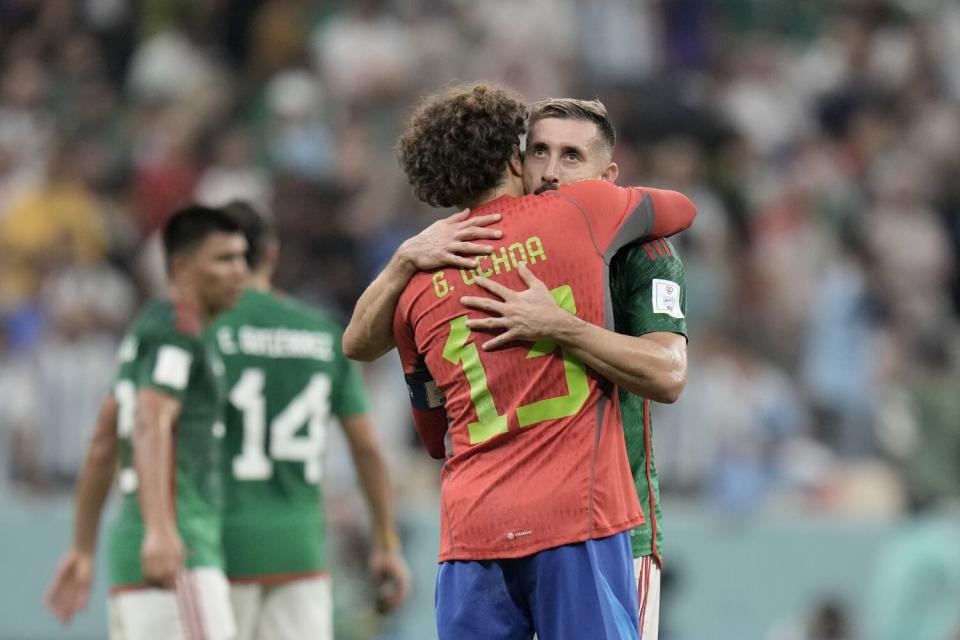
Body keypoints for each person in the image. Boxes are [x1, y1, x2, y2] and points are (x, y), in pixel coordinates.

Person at [344, 98, 688, 639]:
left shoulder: (417, 284)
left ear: (608, 173)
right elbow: (682, 205)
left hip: (478, 527)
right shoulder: (582, 215)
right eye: (540, 152)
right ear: (514, 158)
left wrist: (408, 259)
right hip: (586, 516)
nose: (552, 171)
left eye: (572, 156)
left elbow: (431, 429)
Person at [45, 205, 249, 639]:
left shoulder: (146, 330)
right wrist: (160, 531)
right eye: (224, 259)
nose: (240, 271)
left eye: (243, 257)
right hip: (179, 555)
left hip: (131, 562)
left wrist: (83, 549)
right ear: (180, 266)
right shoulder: (178, 331)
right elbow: (149, 420)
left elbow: (103, 441)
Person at [212, 202, 411, 640]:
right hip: (299, 551)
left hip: (218, 545)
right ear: (272, 254)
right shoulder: (321, 335)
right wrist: (384, 541)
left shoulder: (201, 333)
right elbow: (367, 448)